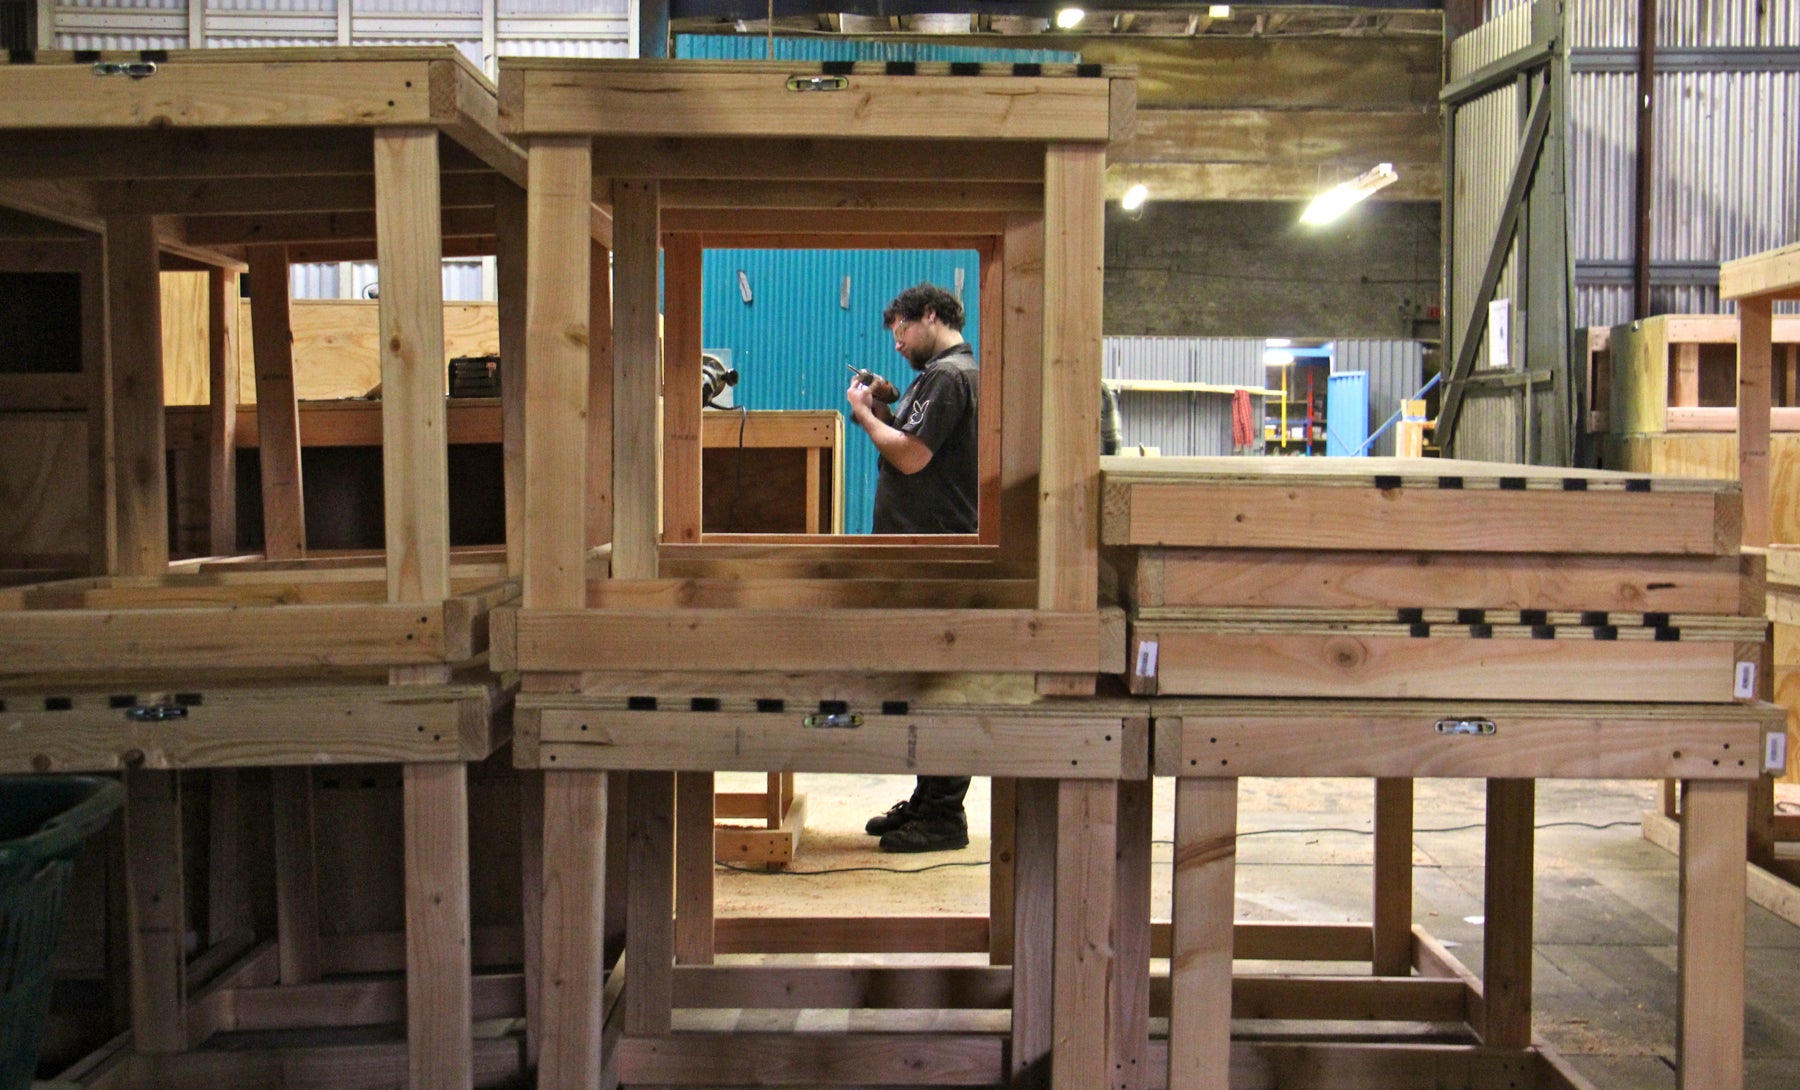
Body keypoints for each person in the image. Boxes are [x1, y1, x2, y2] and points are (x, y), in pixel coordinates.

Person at [845, 282, 979, 853]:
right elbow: (906, 437)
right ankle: (929, 800)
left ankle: (945, 813)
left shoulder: (950, 376)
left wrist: (861, 415)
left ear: (929, 315)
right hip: (924, 550)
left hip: (938, 552)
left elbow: (910, 454)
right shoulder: (939, 377)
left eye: (901, 328)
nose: (896, 342)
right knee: (925, 682)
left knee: (941, 685)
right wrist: (881, 409)